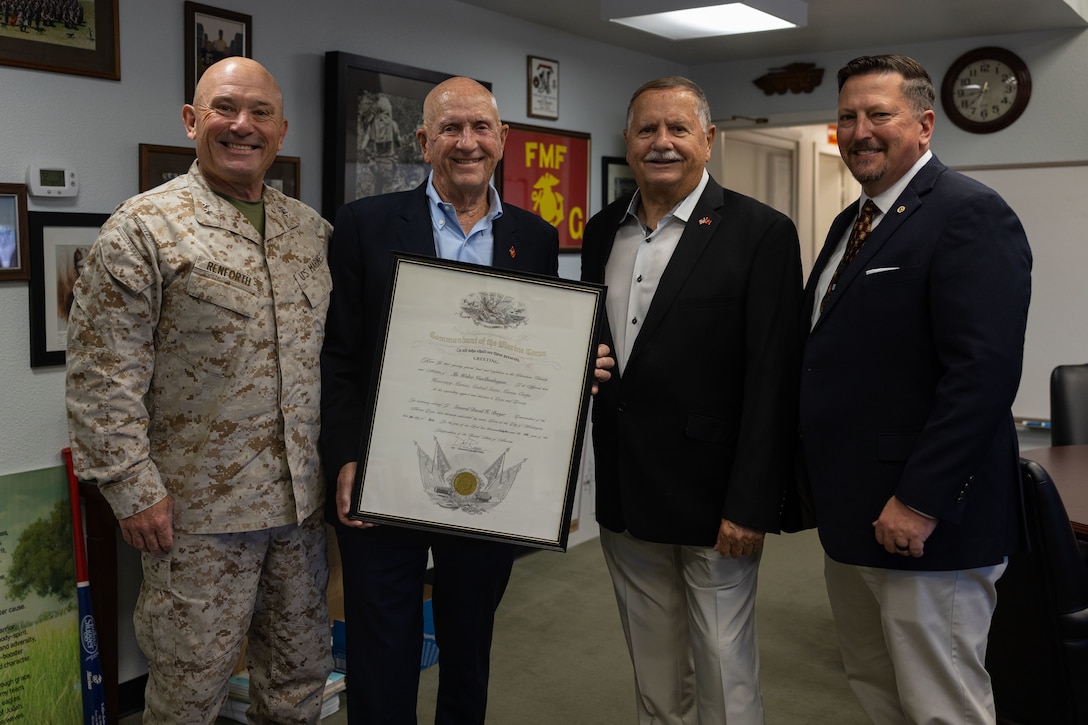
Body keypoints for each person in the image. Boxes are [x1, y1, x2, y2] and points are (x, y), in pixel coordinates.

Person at [320, 76, 612, 725]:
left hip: (489, 486)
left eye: (481, 127)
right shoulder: (364, 225)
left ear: (503, 139)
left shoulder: (532, 239)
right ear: (424, 142)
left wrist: (573, 368)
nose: (467, 141)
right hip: (387, 474)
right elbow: (338, 356)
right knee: (382, 651)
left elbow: (535, 350)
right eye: (450, 128)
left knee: (469, 647)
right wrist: (345, 457)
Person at [65, 57, 334, 724]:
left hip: (301, 508)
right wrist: (132, 486)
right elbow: (102, 371)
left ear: (281, 130)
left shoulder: (312, 231)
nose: (242, 125)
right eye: (224, 108)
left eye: (260, 113)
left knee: (299, 682)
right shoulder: (144, 227)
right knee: (189, 694)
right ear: (192, 121)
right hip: (197, 518)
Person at [799, 54, 1032, 724]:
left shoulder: (970, 214)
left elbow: (981, 374)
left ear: (925, 125)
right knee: (876, 689)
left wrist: (921, 499)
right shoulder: (853, 223)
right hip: (854, 518)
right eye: (847, 117)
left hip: (926, 526)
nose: (860, 130)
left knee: (940, 706)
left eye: (879, 114)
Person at [581, 76, 803, 724]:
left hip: (716, 502)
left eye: (679, 129)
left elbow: (773, 377)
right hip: (625, 492)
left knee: (724, 669)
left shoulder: (761, 234)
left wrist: (751, 502)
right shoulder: (602, 233)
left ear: (709, 139)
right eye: (648, 129)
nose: (662, 143)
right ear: (628, 141)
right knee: (654, 669)